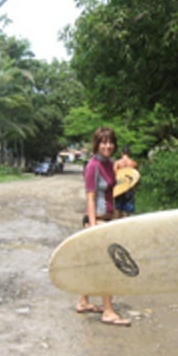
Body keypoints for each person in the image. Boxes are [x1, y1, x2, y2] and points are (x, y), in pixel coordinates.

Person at [76, 127, 132, 327]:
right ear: (97, 144)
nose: (107, 146)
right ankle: (108, 311)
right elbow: (90, 197)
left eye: (110, 142)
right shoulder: (93, 165)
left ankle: (83, 301)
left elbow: (112, 192)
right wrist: (92, 226)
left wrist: (116, 214)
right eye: (103, 142)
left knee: (94, 264)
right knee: (108, 266)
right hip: (96, 220)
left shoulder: (109, 164)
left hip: (108, 218)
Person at [113, 146, 138, 218]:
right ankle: (127, 223)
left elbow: (114, 176)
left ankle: (119, 222)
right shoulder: (133, 163)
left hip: (119, 187)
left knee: (118, 208)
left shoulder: (117, 163)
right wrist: (135, 189)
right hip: (129, 186)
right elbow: (135, 177)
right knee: (128, 209)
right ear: (129, 153)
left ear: (122, 153)